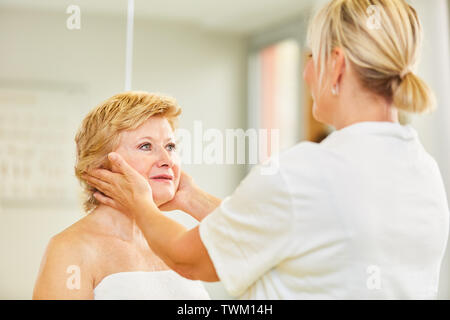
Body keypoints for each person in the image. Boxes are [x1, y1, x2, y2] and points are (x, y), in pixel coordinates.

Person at [84, 0, 449, 299]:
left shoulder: (305, 172)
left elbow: (187, 258)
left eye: (311, 58)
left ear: (336, 65)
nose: (307, 74)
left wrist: (140, 205)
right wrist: (191, 197)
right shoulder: (424, 171)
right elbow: (281, 224)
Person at [33, 91, 210, 300]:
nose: (167, 160)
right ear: (101, 165)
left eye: (170, 146)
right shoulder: (70, 250)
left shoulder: (176, 240)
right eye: (146, 146)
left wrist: (191, 198)